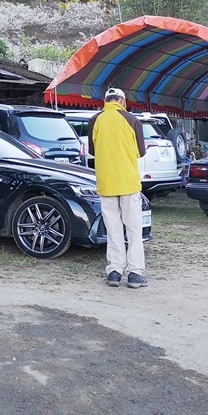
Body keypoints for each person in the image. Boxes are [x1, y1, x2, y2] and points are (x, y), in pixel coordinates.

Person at [89, 87, 148, 289]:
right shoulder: (132, 120)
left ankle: (114, 271)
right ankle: (135, 273)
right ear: (122, 100)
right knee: (133, 230)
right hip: (129, 183)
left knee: (113, 230)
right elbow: (140, 152)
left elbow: (93, 151)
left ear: (105, 101)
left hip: (106, 183)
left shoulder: (94, 121)